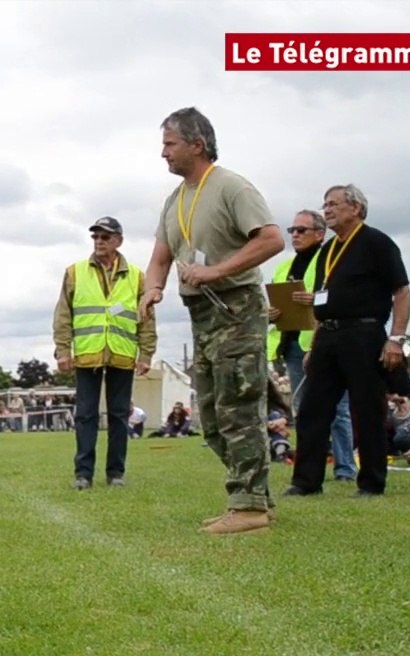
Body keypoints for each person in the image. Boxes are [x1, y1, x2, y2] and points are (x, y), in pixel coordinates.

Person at [140, 106, 285, 534]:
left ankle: (249, 507)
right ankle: (255, 496)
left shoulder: (232, 187)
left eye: (170, 144)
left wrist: (218, 270)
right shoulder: (175, 199)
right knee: (212, 416)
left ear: (196, 145)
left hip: (236, 307)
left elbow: (272, 239)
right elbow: (161, 255)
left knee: (238, 405)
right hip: (201, 313)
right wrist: (152, 288)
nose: (163, 153)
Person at [283, 185, 410, 499]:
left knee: (367, 409)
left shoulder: (377, 243)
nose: (327, 210)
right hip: (328, 333)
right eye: (324, 205)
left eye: (333, 204)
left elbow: (402, 292)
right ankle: (306, 481)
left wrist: (396, 339)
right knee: (313, 409)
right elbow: (322, 299)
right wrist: (314, 345)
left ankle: (370, 482)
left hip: (364, 334)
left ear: (355, 208)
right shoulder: (328, 250)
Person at [53, 216, 157, 489]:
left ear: (118, 241)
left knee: (119, 416)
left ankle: (116, 473)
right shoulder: (75, 272)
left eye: (105, 237)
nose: (99, 242)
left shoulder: (137, 276)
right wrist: (63, 350)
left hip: (122, 355)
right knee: (85, 415)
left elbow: (146, 318)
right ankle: (83, 474)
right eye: (96, 237)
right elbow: (63, 314)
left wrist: (146, 354)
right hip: (88, 354)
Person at [265, 209, 357, 482]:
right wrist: (271, 313)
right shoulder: (284, 267)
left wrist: (315, 299)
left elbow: (342, 294)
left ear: (320, 233)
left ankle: (345, 468)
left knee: (337, 408)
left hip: (325, 342)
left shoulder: (331, 258)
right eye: (292, 230)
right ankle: (307, 467)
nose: (295, 235)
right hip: (292, 345)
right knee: (303, 408)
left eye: (301, 230)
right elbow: (276, 300)